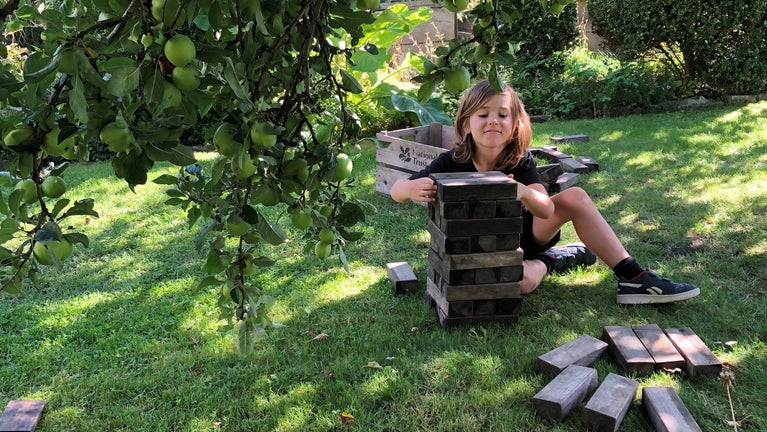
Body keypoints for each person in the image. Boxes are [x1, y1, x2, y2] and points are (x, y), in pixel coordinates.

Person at [390, 80, 700, 305]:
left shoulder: (519, 160)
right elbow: (396, 190)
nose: (493, 121)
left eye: (502, 114)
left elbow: (546, 209)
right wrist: (411, 188)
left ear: (514, 125)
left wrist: (521, 190)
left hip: (526, 235)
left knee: (574, 198)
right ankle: (556, 259)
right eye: (483, 115)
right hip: (475, 247)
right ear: (467, 124)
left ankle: (633, 277)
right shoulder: (450, 162)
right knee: (522, 283)